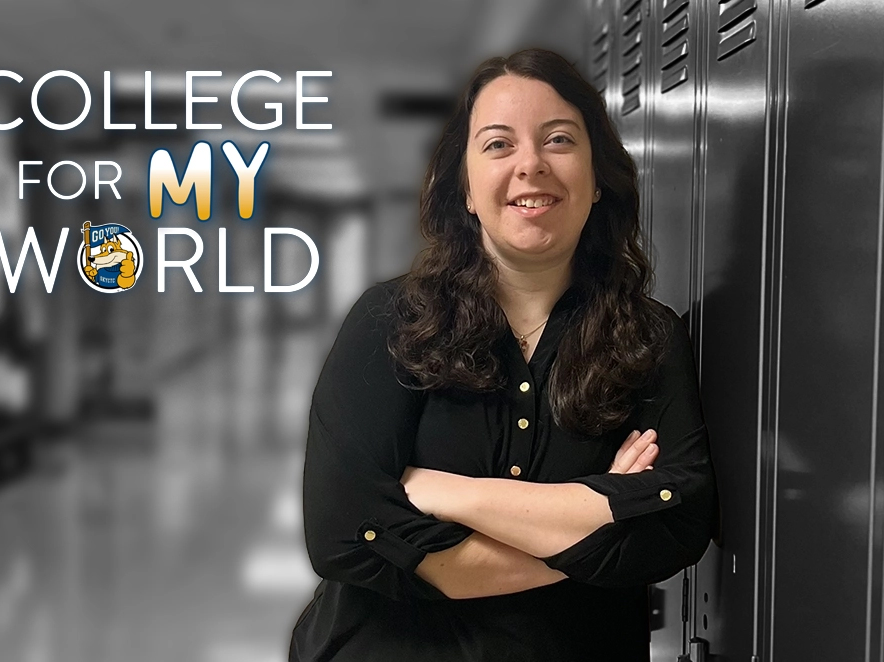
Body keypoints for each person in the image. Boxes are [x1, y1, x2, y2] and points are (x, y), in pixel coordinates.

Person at [288, 48, 718, 662]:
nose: (531, 165)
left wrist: (443, 493)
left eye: (560, 140)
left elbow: (676, 525)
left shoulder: (647, 340)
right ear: (464, 190)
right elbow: (343, 535)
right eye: (497, 145)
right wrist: (598, 513)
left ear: (598, 180)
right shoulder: (391, 323)